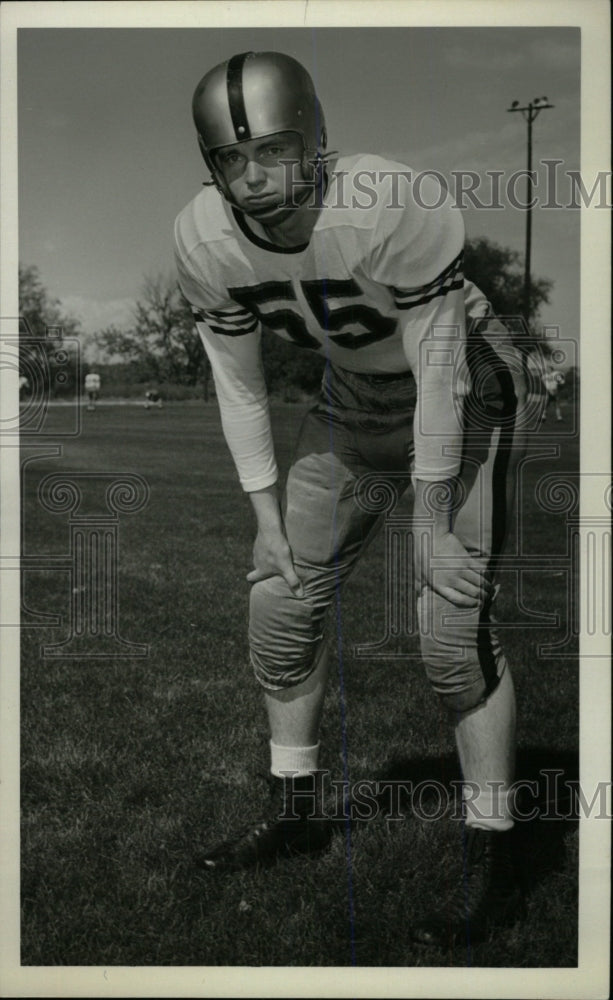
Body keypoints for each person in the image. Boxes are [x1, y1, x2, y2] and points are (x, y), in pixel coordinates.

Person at [174, 51, 528, 946]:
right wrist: (263, 519)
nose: (252, 179)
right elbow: (241, 385)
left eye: (274, 153)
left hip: (460, 383)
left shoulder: (386, 202)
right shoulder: (202, 236)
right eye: (230, 161)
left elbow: (441, 365)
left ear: (319, 143)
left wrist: (432, 515)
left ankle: (495, 851)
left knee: (450, 632)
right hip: (348, 399)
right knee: (279, 602)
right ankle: (293, 812)